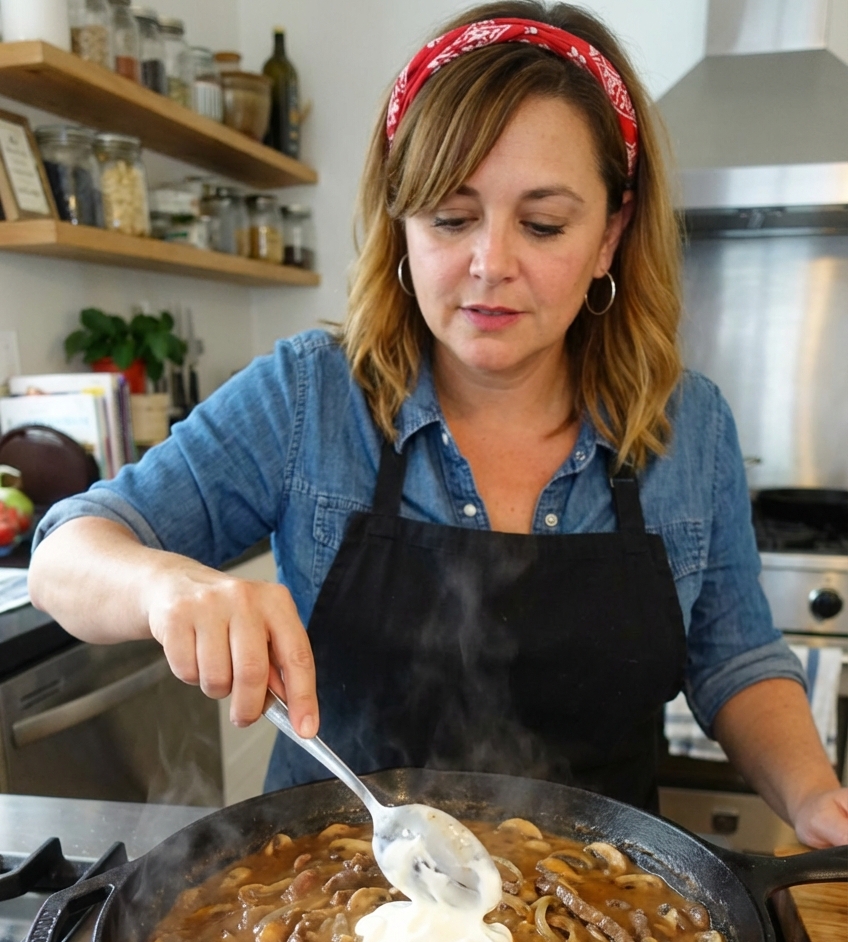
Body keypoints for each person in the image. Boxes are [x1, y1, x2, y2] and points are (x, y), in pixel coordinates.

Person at [29, 2, 847, 848]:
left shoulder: (692, 425)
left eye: (543, 224)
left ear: (611, 233)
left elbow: (737, 661)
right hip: (325, 902)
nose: (490, 263)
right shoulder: (309, 396)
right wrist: (166, 586)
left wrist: (818, 799)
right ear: (401, 222)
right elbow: (64, 554)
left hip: (611, 900)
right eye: (451, 218)